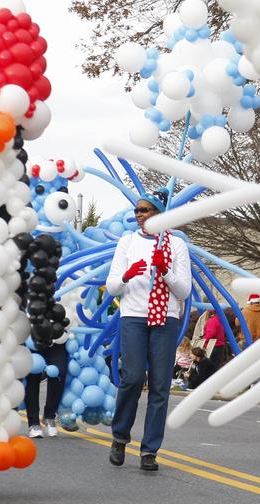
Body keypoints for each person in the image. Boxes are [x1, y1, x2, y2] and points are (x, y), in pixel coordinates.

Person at [105, 190, 191, 471]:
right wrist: (127, 276)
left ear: (159, 214)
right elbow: (113, 285)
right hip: (134, 317)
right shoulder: (127, 242)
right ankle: (120, 436)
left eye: (145, 210)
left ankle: (150, 450)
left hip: (165, 319)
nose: (139, 215)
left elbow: (184, 290)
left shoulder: (176, 245)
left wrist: (165, 271)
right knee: (131, 377)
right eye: (137, 211)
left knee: (160, 385)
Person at [25, 335, 68, 438]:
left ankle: (49, 416)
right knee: (33, 374)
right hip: (33, 334)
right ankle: (33, 423)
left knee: (59, 373)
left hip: (58, 336)